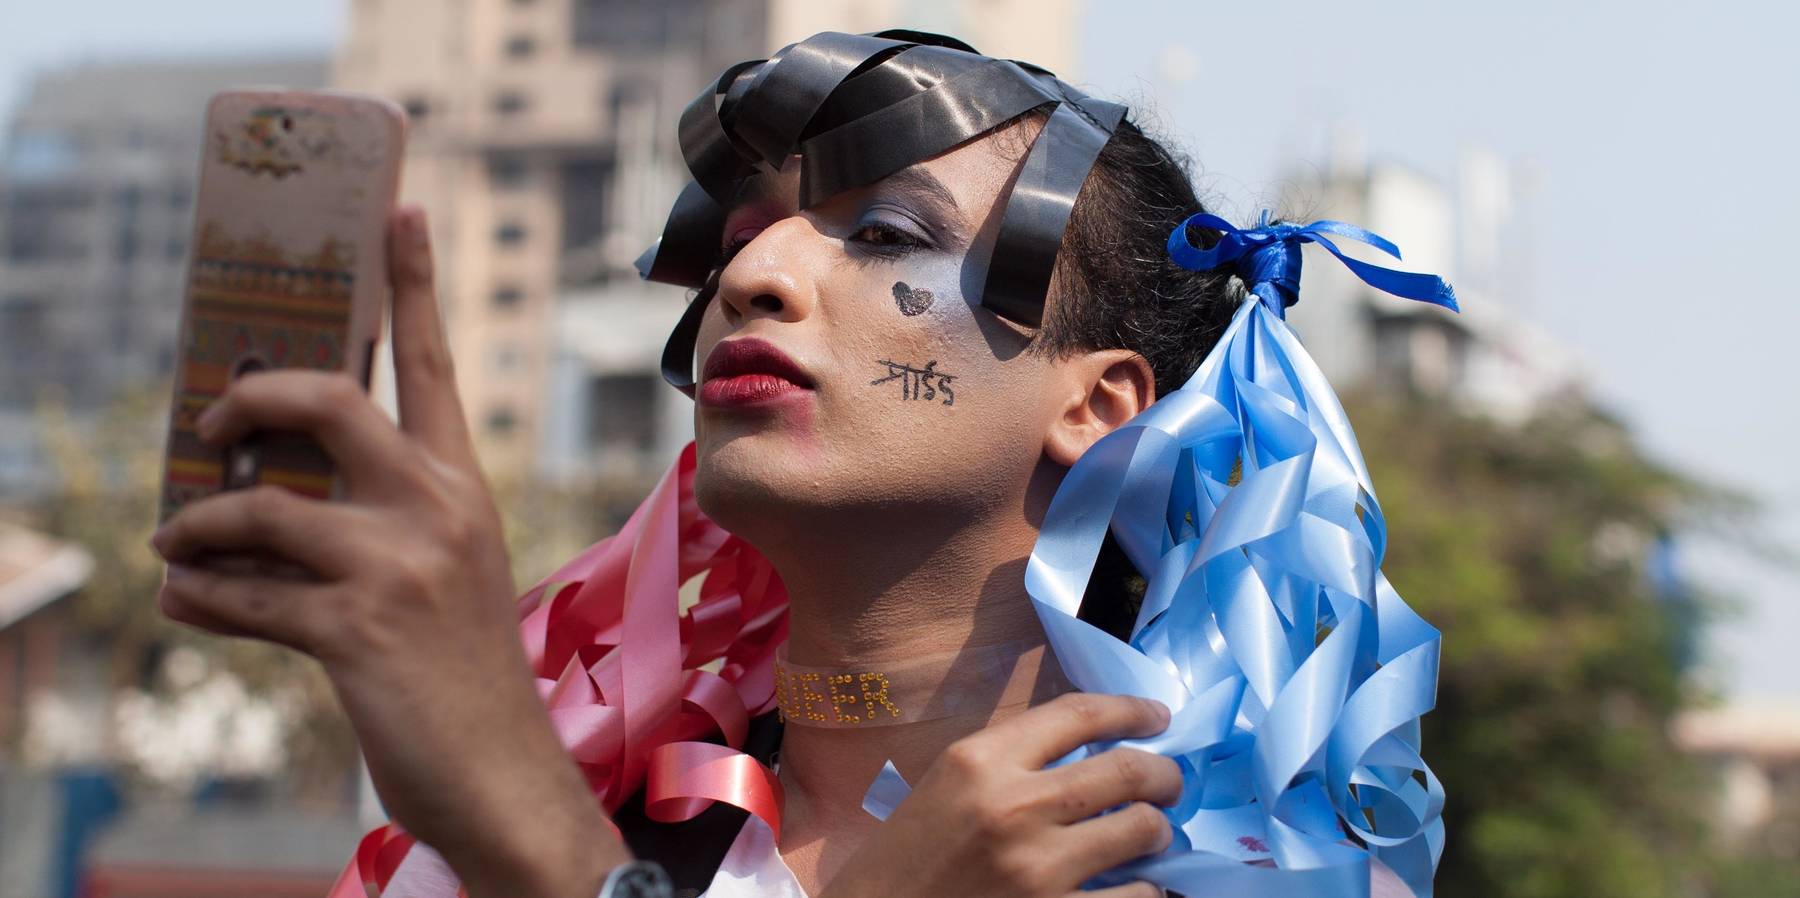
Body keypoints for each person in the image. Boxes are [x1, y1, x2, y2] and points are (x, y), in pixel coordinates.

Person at [151, 30, 1442, 898]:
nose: (753, 276)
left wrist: (520, 827)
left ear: (1096, 402)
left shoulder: (1205, 851)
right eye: (750, 235)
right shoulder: (621, 807)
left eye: (887, 237)